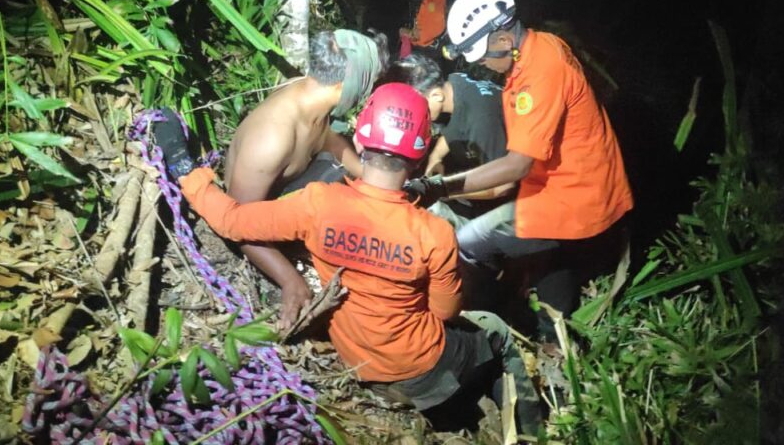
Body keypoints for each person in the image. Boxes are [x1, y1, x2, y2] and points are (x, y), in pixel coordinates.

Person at [153, 83, 544, 436]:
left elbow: (232, 221)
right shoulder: (433, 233)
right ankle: (531, 433)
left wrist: (183, 164)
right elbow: (445, 311)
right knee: (496, 329)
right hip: (423, 366)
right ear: (421, 151)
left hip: (361, 364)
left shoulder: (318, 204)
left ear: (360, 138)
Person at [412, 0, 633, 340]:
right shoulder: (539, 46)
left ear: (502, 35)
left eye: (483, 55)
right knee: (550, 254)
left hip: (570, 194)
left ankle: (483, 323)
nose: (482, 63)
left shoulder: (539, 74)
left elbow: (515, 167)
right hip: (573, 182)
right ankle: (556, 338)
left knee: (469, 241)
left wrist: (440, 187)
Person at [159, 28, 389, 331]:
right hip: (253, 216)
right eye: (366, 85)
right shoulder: (273, 139)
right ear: (345, 85)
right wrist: (290, 280)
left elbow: (330, 142)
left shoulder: (314, 99)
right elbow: (237, 223)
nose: (367, 94)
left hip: (287, 189)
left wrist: (377, 181)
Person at [390, 53, 515, 226]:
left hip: (532, 189)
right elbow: (456, 125)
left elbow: (504, 186)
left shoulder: (481, 120)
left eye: (417, 106)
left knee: (464, 239)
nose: (416, 114)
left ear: (436, 96)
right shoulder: (456, 83)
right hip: (496, 147)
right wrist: (436, 158)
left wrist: (443, 191)